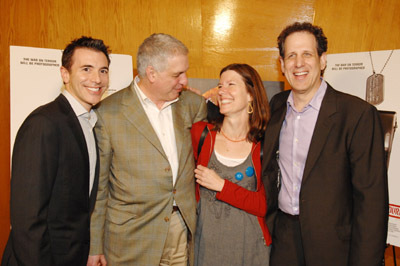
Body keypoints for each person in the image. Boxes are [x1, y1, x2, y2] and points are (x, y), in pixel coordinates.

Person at [262, 22, 388, 266]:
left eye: (307, 54)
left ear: (323, 60)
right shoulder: (276, 107)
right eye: (291, 56)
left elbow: (371, 203)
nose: (299, 63)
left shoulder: (357, 115)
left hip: (334, 248)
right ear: (281, 64)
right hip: (283, 241)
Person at [87, 33, 207, 266]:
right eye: (177, 74)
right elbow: (99, 188)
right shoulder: (107, 113)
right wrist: (95, 246)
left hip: (179, 229)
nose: (184, 80)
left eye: (185, 72)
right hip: (130, 238)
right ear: (151, 73)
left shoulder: (194, 105)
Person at [1, 36, 110, 266]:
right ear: (65, 74)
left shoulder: (88, 123)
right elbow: (28, 218)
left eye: (103, 70)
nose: (97, 79)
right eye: (86, 69)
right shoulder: (44, 123)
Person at [191, 63, 272, 266]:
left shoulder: (264, 145)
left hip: (251, 250)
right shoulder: (201, 134)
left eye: (231, 84)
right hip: (206, 249)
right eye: (220, 85)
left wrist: (222, 186)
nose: (222, 91)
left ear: (251, 95)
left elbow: (265, 206)